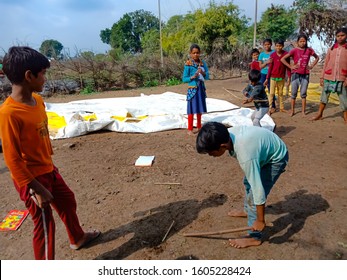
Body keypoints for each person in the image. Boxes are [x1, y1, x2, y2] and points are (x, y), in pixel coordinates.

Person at [0, 46, 100, 260]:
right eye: (43, 74)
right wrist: (35, 188)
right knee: (45, 225)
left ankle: (77, 238)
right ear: (29, 76)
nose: (45, 78)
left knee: (68, 201)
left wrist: (49, 165)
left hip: (48, 169)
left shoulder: (38, 101)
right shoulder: (9, 113)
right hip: (31, 180)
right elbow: (12, 158)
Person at [196, 122, 289, 249]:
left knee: (253, 196)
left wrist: (260, 221)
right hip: (263, 151)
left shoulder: (246, 154)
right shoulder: (227, 134)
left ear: (222, 146)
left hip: (276, 158)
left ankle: (254, 237)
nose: (211, 156)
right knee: (247, 182)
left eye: (210, 153)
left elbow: (258, 190)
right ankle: (248, 211)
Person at [311, 27, 347, 124]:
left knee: (343, 98)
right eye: (338, 36)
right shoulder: (331, 49)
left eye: (342, 35)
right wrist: (322, 77)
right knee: (324, 96)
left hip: (342, 78)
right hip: (329, 76)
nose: (340, 38)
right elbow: (326, 63)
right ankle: (320, 114)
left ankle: (345, 117)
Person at [280, 34, 319, 117]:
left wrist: (311, 66)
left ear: (306, 42)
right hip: (295, 75)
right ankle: (292, 111)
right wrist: (291, 66)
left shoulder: (309, 50)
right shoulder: (294, 50)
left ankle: (303, 112)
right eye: (301, 41)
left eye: (304, 41)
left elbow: (317, 58)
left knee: (303, 93)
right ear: (297, 42)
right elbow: (282, 59)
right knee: (293, 93)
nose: (302, 43)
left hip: (305, 74)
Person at [182, 43, 209, 135]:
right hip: (192, 89)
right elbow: (184, 78)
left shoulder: (202, 63)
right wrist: (192, 77)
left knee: (199, 108)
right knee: (191, 109)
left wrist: (203, 73)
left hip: (201, 88)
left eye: (197, 53)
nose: (196, 55)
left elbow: (207, 76)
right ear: (190, 53)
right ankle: (190, 128)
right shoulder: (188, 64)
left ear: (200, 53)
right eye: (194, 53)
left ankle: (199, 127)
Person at [265, 39, 291, 114]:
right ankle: (270, 108)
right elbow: (270, 67)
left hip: (281, 78)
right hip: (272, 77)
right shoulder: (272, 55)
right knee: (271, 93)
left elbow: (288, 67)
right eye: (277, 46)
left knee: (280, 93)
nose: (278, 47)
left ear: (282, 46)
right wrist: (267, 78)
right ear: (275, 46)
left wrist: (289, 78)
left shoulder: (286, 55)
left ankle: (281, 108)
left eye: (280, 46)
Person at [259, 38, 276, 110]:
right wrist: (266, 62)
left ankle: (273, 106)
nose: (267, 46)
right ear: (263, 45)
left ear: (271, 45)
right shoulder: (261, 55)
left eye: (268, 44)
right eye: (265, 45)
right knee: (261, 88)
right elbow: (260, 66)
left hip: (271, 75)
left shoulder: (274, 53)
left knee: (271, 90)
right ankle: (262, 104)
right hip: (263, 74)